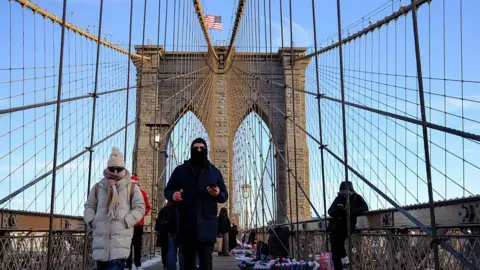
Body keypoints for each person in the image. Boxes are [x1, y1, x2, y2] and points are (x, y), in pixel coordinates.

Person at [164, 138, 228, 270]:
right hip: (187, 226)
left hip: (207, 226)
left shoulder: (215, 172)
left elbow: (224, 196)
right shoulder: (180, 171)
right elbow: (167, 190)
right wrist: (173, 195)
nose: (199, 150)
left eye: (202, 148)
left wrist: (217, 194)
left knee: (206, 263)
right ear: (191, 150)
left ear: (206, 150)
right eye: (196, 148)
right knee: (187, 263)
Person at [84, 147, 146, 270]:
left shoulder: (132, 187)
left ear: (124, 168)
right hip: (101, 243)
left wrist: (126, 221)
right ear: (108, 168)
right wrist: (92, 221)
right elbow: (89, 206)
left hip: (120, 243)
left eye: (119, 169)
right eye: (112, 169)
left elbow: (140, 207)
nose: (116, 172)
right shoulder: (99, 187)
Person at [327, 181, 368, 270]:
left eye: (346, 192)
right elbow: (330, 211)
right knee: (335, 247)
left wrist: (352, 211)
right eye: (342, 192)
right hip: (337, 225)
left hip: (348, 225)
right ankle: (343, 263)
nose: (344, 195)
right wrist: (338, 211)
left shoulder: (356, 197)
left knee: (338, 243)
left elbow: (365, 207)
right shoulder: (338, 199)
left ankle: (345, 262)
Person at [126, 175, 152, 270]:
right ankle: (131, 264)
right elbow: (148, 207)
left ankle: (136, 264)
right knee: (130, 245)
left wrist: (140, 215)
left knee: (135, 245)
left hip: (135, 224)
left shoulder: (142, 194)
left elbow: (148, 207)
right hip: (130, 223)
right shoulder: (127, 193)